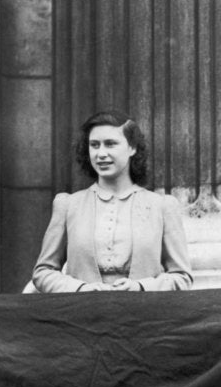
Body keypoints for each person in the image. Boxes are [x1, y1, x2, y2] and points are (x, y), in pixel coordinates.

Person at [31, 110, 192, 292]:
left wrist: (140, 287)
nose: (101, 154)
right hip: (81, 315)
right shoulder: (68, 205)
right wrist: (80, 288)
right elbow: (43, 272)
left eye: (110, 144)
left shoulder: (162, 206)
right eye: (94, 145)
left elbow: (182, 277)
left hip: (144, 316)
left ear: (132, 148)